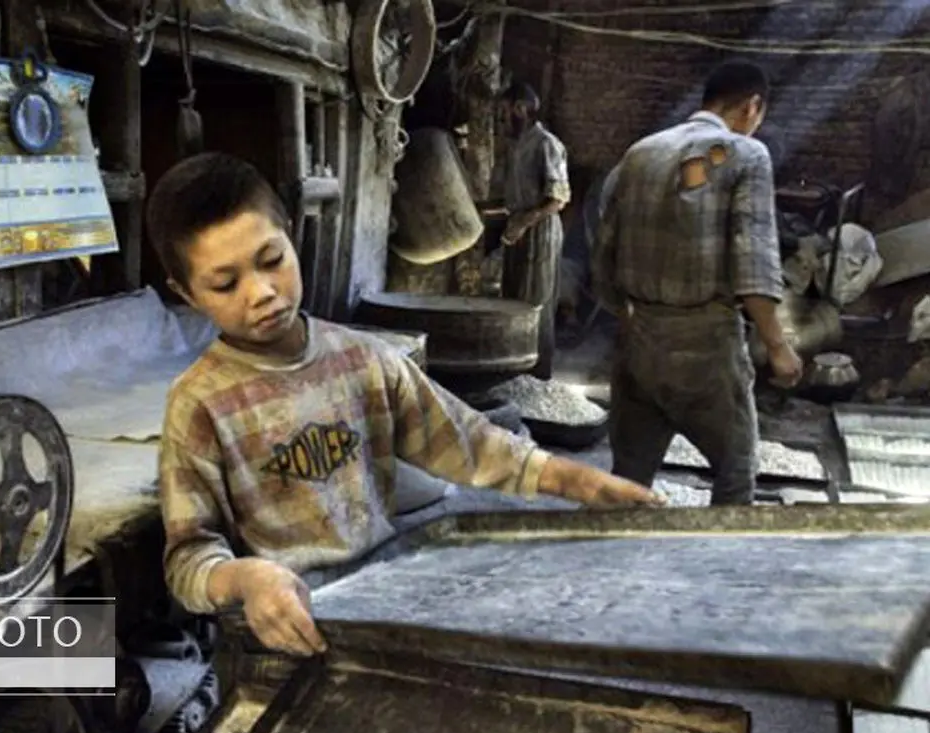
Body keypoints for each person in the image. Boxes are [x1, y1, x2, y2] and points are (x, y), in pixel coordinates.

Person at [147, 152, 663, 658]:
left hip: (376, 603)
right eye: (224, 283)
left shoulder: (364, 362)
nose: (260, 293)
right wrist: (246, 577)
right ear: (187, 293)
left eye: (271, 261)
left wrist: (580, 481)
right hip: (281, 631)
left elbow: (473, 444)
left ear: (288, 231)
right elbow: (188, 559)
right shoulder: (201, 405)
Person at [591, 60, 803, 506]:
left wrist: (628, 311)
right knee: (735, 472)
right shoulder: (745, 155)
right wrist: (778, 346)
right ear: (752, 106)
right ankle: (720, 569)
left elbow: (604, 246)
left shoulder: (641, 152)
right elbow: (753, 261)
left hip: (638, 341)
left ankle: (606, 566)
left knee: (628, 478)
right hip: (705, 348)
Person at [499, 81, 571, 379]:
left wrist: (522, 222)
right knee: (512, 301)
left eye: (504, 111)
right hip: (518, 227)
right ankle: (514, 374)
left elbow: (557, 199)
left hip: (540, 231)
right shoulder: (516, 145)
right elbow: (513, 196)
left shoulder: (546, 144)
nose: (501, 117)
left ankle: (538, 377)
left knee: (535, 304)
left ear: (521, 109)